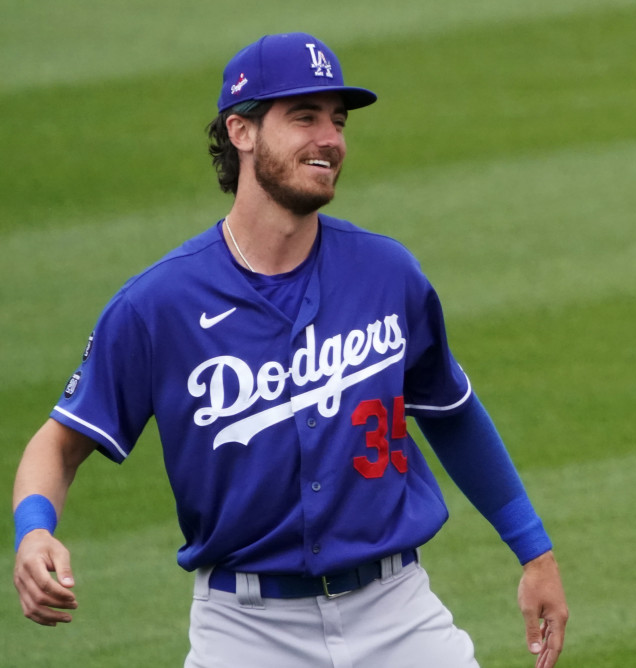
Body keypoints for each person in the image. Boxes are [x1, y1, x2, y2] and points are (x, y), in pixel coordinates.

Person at [12, 32, 567, 668]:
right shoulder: (159, 304)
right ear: (241, 132)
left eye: (337, 120)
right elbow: (57, 443)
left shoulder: (389, 274)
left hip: (398, 616)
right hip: (246, 633)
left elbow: (452, 411)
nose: (329, 138)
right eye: (303, 117)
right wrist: (34, 532)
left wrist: (535, 554)